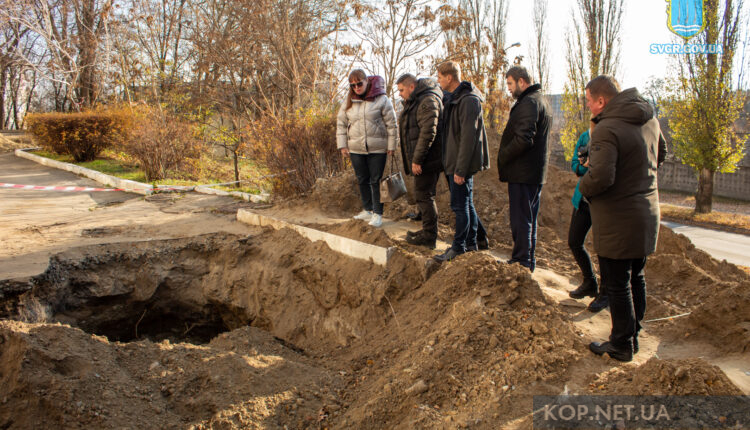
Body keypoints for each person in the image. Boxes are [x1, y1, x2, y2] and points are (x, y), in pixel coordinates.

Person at [579, 75, 666, 362]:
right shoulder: (649, 120)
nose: (588, 106)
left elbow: (602, 177)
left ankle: (621, 344)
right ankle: (634, 335)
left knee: (616, 283)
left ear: (601, 100)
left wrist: (583, 185)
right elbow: (660, 154)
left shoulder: (608, 128)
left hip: (618, 218)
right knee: (636, 277)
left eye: (589, 100)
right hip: (647, 212)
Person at [433, 61, 489, 262]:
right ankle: (471, 244)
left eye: (439, 77)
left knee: (460, 206)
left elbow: (468, 138)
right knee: (466, 203)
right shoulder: (455, 98)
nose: (438, 81)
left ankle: (459, 247)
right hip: (454, 160)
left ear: (449, 77)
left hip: (460, 164)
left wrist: (461, 169)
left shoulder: (468, 101)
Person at [497, 66, 552, 272]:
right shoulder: (540, 100)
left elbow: (524, 139)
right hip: (533, 172)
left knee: (521, 218)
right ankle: (528, 260)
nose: (509, 89)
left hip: (523, 172)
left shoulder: (529, 103)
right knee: (529, 218)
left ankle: (521, 261)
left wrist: (504, 155)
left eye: (510, 84)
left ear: (522, 82)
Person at [336, 69, 398, 228]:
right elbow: (341, 123)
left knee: (375, 181)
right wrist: (342, 145)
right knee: (362, 179)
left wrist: (391, 146)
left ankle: (378, 214)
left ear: (367, 81)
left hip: (377, 148)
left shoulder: (382, 99)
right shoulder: (349, 100)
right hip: (356, 148)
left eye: (359, 84)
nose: (356, 87)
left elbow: (392, 124)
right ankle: (367, 209)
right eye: (352, 85)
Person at [396, 73, 443, 249]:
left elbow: (428, 132)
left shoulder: (427, 101)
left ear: (412, 87)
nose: (399, 93)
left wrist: (417, 160)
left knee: (424, 196)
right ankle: (426, 231)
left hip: (428, 160)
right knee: (424, 195)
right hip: (425, 159)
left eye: (401, 90)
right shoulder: (419, 100)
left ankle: (429, 237)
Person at [567, 124, 609, 313]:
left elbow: (604, 169)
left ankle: (605, 293)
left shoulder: (610, 137)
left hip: (604, 203)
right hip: (583, 198)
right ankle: (589, 281)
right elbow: (576, 164)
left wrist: (590, 165)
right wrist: (584, 166)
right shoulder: (585, 137)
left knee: (604, 250)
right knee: (574, 241)